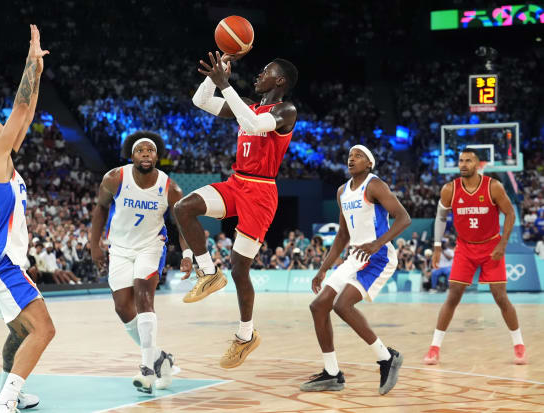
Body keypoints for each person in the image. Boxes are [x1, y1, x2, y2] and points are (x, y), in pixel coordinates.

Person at [175, 50, 298, 368]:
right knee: (184, 208)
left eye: (266, 71)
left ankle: (246, 336)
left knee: (240, 268)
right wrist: (213, 77)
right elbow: (201, 102)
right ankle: (208, 273)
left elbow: (255, 125)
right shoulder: (248, 104)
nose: (259, 75)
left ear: (280, 80)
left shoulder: (286, 110)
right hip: (237, 182)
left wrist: (225, 85)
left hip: (261, 192)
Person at [0, 25, 53, 413]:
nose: (12, 133)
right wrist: (28, 62)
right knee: (43, 330)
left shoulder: (5, 163)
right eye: (3, 133)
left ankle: (9, 391)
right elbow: (19, 110)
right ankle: (3, 404)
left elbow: (27, 111)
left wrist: (36, 70)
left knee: (19, 333)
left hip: (1, 261)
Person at [301, 145, 411, 395]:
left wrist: (377, 243)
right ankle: (332, 374)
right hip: (355, 257)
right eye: (350, 155)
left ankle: (386, 358)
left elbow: (403, 218)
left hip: (378, 257)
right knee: (318, 306)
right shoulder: (342, 191)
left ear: (369, 163)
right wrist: (323, 269)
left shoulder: (374, 185)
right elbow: (342, 235)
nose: (352, 159)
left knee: (342, 305)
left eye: (358, 155)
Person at [90, 131, 192, 394]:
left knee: (144, 298)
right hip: (120, 249)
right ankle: (161, 359)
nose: (146, 154)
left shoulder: (171, 188)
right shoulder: (115, 178)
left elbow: (182, 223)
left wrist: (187, 254)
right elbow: (100, 208)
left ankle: (146, 369)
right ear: (132, 155)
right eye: (140, 151)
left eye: (150, 151)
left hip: (151, 246)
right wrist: (95, 246)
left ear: (157, 157)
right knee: (123, 308)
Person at [424, 149, 527, 365]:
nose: (463, 164)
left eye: (468, 160)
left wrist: (502, 244)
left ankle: (519, 345)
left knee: (500, 297)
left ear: (478, 164)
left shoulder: (493, 187)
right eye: (461, 160)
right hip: (465, 247)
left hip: (491, 247)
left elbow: (510, 213)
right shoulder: (449, 189)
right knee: (453, 295)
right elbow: (440, 217)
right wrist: (436, 246)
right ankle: (434, 348)